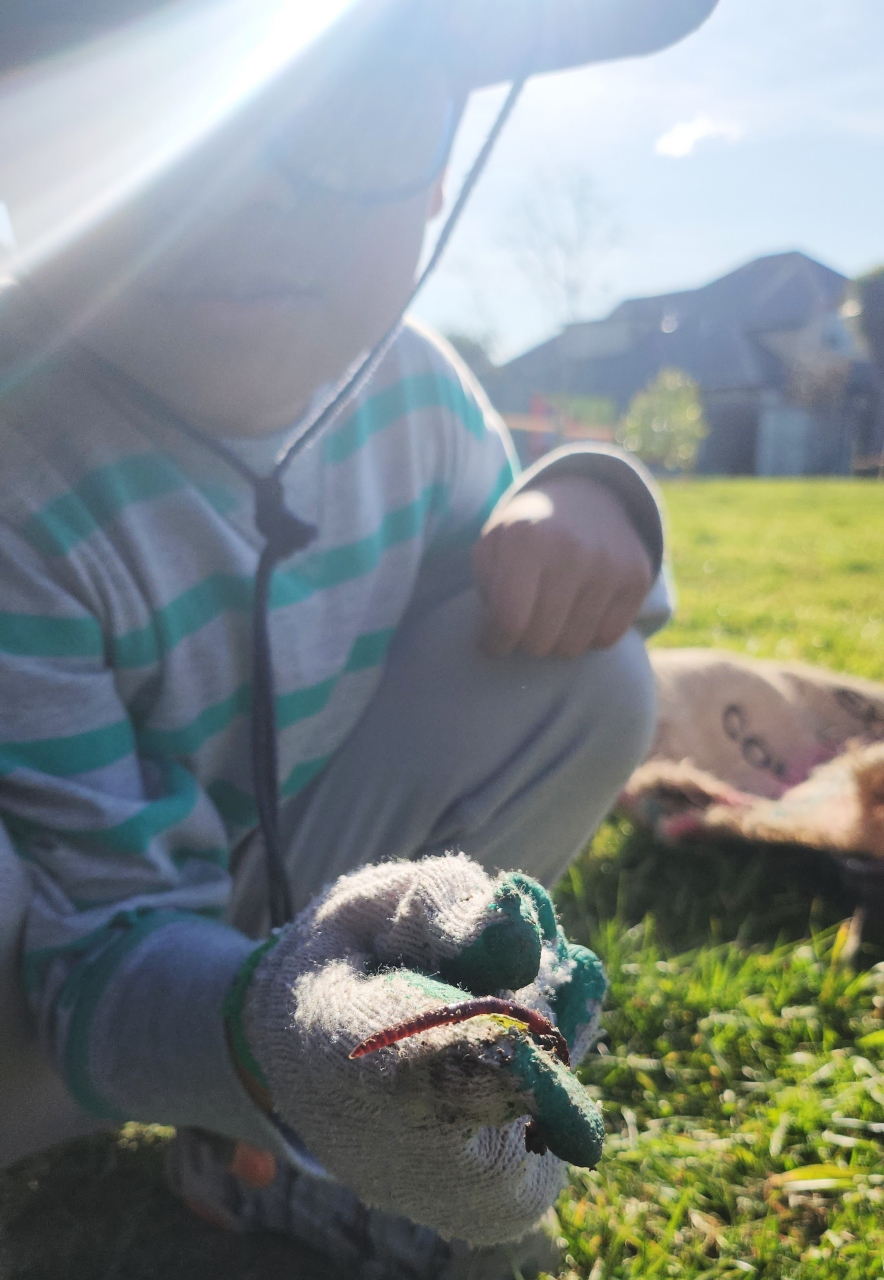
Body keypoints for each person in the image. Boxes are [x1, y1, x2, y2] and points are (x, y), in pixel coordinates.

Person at [0, 1, 716, 1274]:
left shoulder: (413, 390)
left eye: (354, 114)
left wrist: (587, 500)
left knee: (584, 673)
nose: (248, 192)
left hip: (253, 906)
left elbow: (519, 593)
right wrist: (271, 1035)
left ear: (445, 164)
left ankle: (279, 1136)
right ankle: (281, 1081)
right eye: (144, 124)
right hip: (43, 1002)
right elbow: (87, 941)